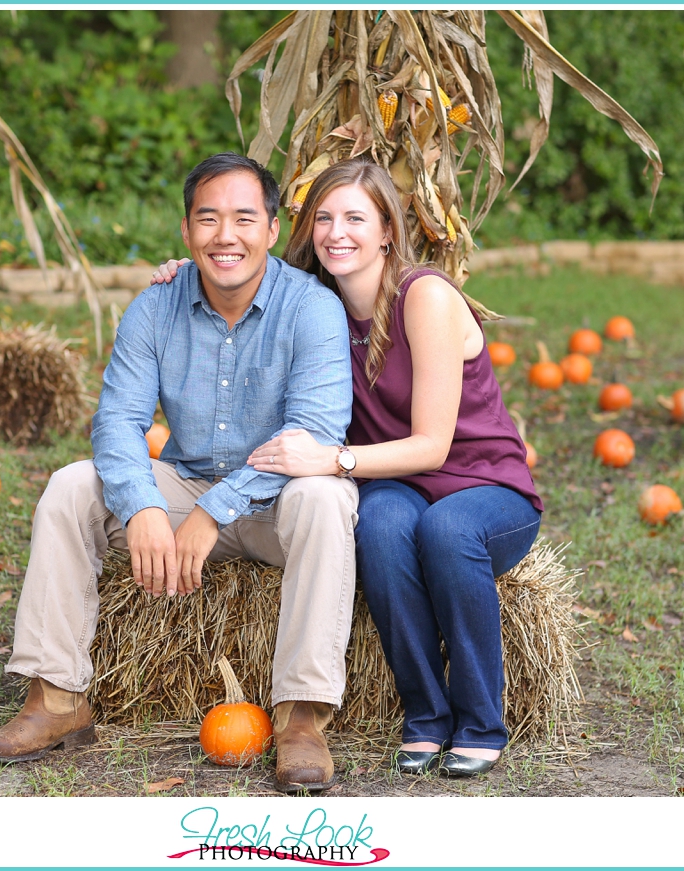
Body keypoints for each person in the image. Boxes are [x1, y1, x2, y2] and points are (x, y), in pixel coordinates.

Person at [0, 153, 360, 794]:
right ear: (186, 231)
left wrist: (212, 513)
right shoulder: (155, 307)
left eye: (242, 219)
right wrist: (144, 505)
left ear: (270, 227)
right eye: (208, 219)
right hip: (183, 481)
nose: (224, 236)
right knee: (71, 486)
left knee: (326, 499)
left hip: (275, 503)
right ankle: (56, 700)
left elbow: (311, 435)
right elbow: (117, 421)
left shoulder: (311, 309)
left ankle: (300, 718)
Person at [153, 158, 542, 777]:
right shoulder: (316, 304)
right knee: (380, 531)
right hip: (394, 486)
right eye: (325, 218)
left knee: (447, 533)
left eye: (356, 218)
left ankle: (480, 720)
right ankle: (425, 715)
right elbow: (238, 275)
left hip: (481, 484)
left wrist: (333, 459)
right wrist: (182, 277)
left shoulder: (426, 297)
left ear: (388, 230)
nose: (338, 232)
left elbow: (434, 446)